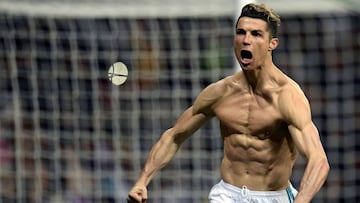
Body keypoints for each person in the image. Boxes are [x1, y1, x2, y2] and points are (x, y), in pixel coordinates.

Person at [127, 3, 329, 203]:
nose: (246, 40)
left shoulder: (287, 97)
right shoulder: (221, 93)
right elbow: (174, 136)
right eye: (241, 32)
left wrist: (301, 200)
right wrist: (142, 181)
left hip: (272, 197)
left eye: (256, 34)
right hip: (226, 195)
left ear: (272, 44)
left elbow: (319, 161)